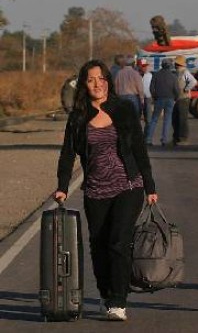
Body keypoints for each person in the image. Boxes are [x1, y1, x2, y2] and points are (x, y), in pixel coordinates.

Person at [54, 59, 158, 321]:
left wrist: (149, 185)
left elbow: (138, 149)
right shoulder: (79, 116)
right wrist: (62, 187)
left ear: (108, 82)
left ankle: (118, 301)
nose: (97, 84)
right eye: (91, 80)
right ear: (84, 84)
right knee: (98, 245)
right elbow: (68, 154)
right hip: (95, 190)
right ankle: (105, 293)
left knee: (118, 242)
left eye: (101, 79)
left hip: (128, 185)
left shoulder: (123, 109)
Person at [146, 58, 179, 146]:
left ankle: (149, 139)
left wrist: (154, 96)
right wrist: (176, 98)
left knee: (154, 119)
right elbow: (176, 89)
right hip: (170, 99)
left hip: (159, 99)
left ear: (162, 65)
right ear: (170, 66)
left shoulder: (156, 75)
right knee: (167, 120)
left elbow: (151, 88)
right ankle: (164, 140)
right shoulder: (173, 76)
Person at [172, 55, 197, 146]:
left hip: (184, 98)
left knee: (182, 119)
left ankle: (182, 138)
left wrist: (187, 88)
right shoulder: (176, 72)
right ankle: (176, 137)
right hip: (177, 98)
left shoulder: (185, 72)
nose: (174, 64)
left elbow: (193, 81)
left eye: (176, 63)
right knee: (175, 119)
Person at [138, 58, 154, 136]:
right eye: (143, 66)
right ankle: (138, 136)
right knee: (137, 119)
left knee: (149, 120)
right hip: (137, 99)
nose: (145, 67)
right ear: (139, 66)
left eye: (145, 66)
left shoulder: (150, 75)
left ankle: (146, 137)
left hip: (148, 99)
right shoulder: (135, 75)